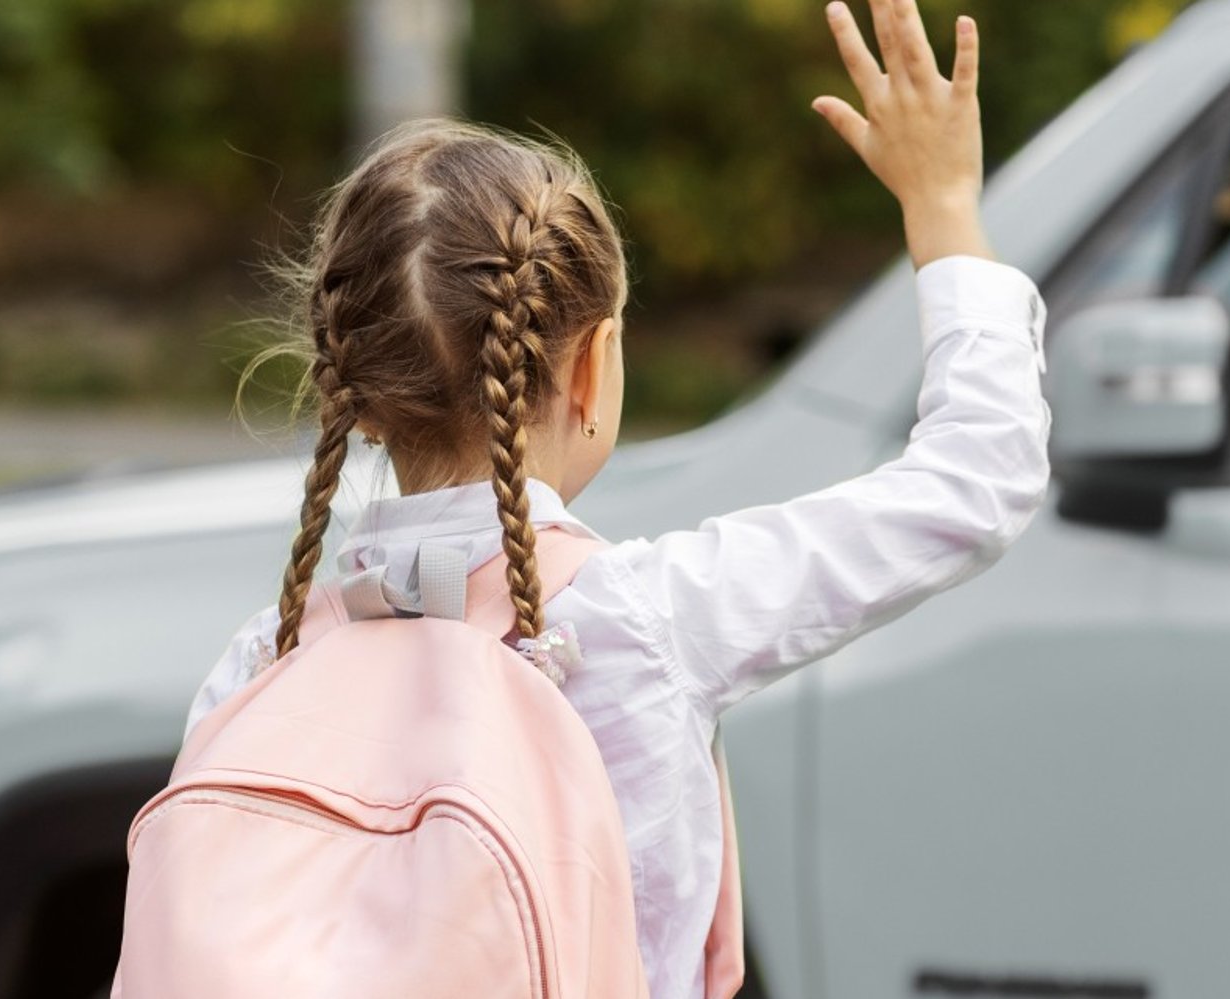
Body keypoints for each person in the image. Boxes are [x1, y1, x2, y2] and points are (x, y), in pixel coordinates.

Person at [180, 4, 1046, 997]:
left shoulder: (259, 665)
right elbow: (976, 477)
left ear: (356, 396)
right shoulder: (643, 620)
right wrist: (944, 210)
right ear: (592, 366)